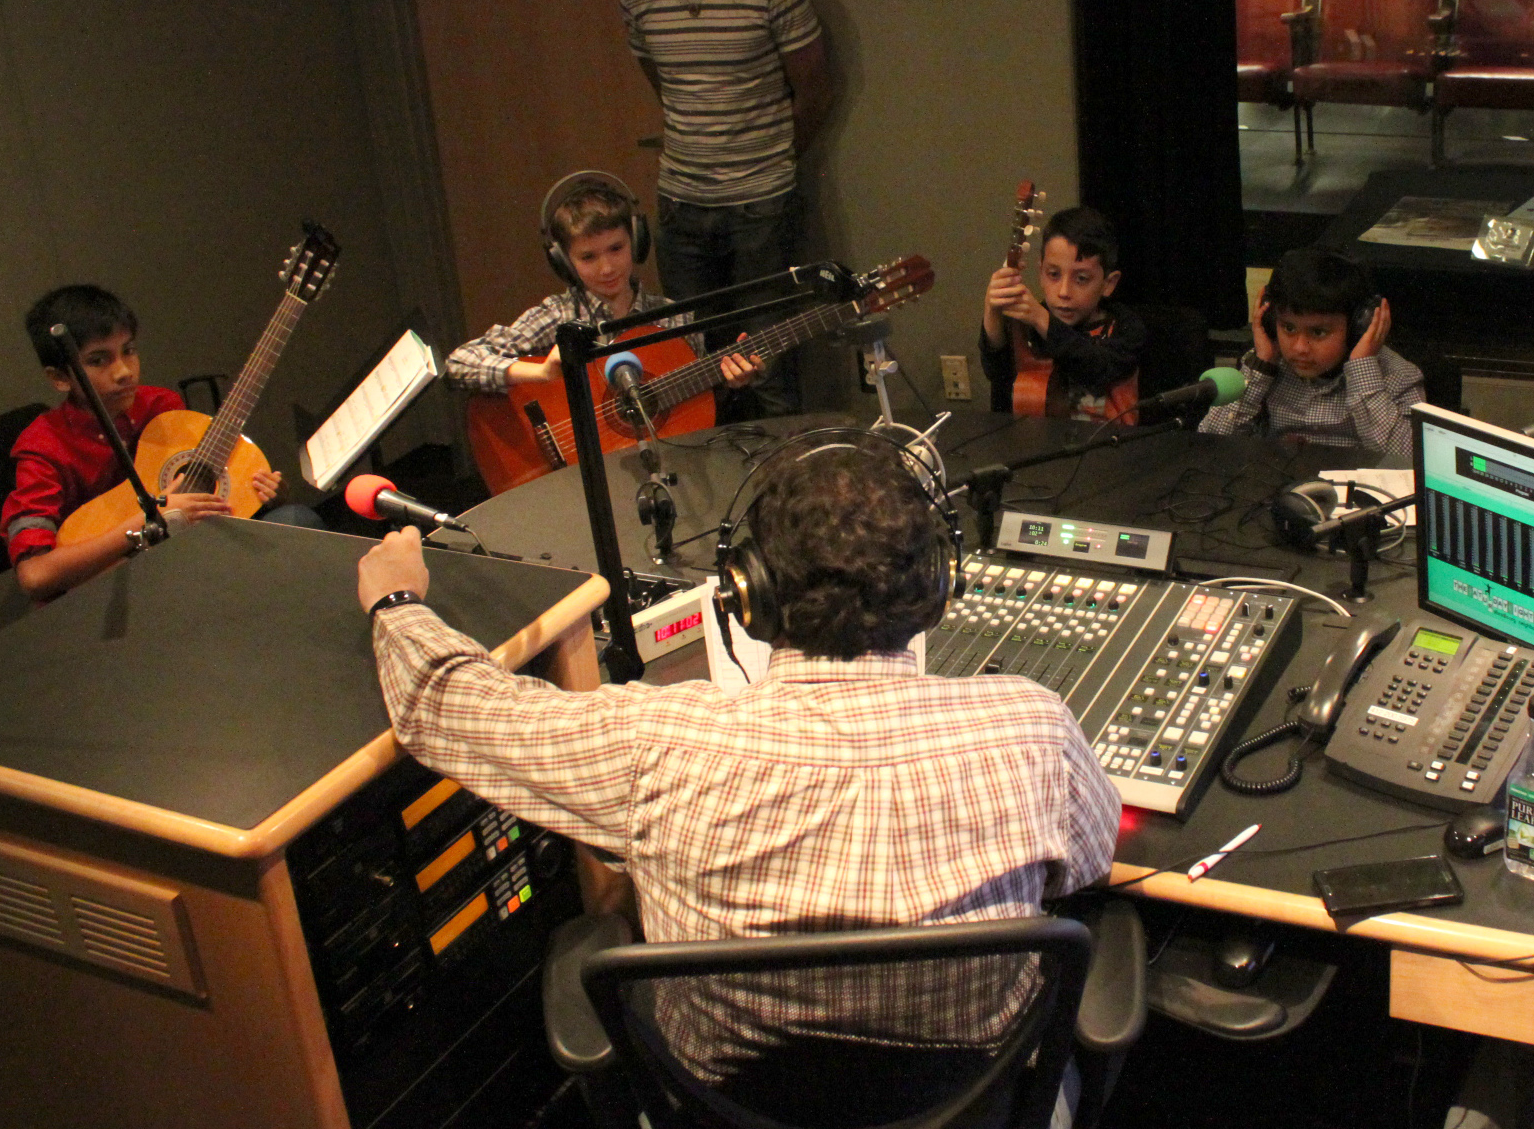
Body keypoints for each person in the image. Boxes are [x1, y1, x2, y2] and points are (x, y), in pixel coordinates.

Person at [356, 443, 1118, 1085]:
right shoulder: (1032, 731)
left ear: (747, 594)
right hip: (979, 1107)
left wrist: (395, 601)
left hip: (722, 1109)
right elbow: (1085, 866)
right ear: (939, 586)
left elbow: (449, 706)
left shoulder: (658, 743)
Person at [620, 0, 832, 418]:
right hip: (683, 206)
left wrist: (766, 156)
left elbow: (813, 90)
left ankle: (788, 497)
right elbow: (665, 84)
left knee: (766, 367)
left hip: (761, 207)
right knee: (693, 369)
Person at [1, 285, 299, 601]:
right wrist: (149, 521)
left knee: (294, 521)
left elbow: (193, 499)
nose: (124, 372)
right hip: (113, 595)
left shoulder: (161, 406)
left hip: (184, 561)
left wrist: (264, 493)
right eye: (99, 360)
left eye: (128, 351)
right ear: (59, 378)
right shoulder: (42, 448)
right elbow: (34, 576)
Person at [444, 174, 760, 397]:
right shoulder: (558, 316)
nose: (607, 268)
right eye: (588, 257)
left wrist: (730, 381)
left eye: (616, 249)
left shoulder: (673, 317)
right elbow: (459, 362)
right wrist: (540, 373)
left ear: (636, 242)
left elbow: (692, 403)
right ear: (565, 263)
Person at [1199, 246, 1423, 460]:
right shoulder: (1263, 367)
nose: (1299, 347)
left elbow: (1410, 461)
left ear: (1359, 326)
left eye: (1318, 332)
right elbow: (1211, 445)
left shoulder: (1397, 376)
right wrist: (1261, 365)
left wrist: (1362, 370)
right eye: (1288, 328)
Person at [979, 205, 1146, 421]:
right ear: (1040, 272)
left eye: (1081, 279)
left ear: (1108, 283)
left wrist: (1042, 319)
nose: (1064, 292)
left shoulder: (1126, 327)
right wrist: (991, 310)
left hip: (1109, 448)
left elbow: (1099, 368)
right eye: (1054, 274)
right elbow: (998, 374)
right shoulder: (1030, 325)